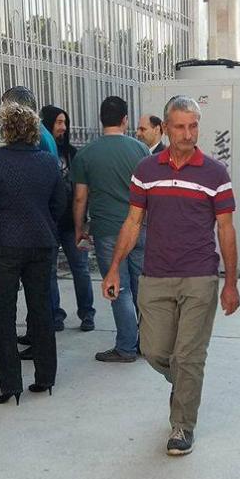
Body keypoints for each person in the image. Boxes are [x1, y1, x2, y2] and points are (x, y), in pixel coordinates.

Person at [103, 95, 240, 456]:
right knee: (153, 350)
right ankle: (182, 383)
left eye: (193, 126)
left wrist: (231, 283)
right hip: (156, 275)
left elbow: (226, 229)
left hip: (200, 276)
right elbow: (133, 222)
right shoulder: (146, 171)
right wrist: (114, 267)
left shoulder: (215, 174)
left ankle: (182, 425)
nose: (188, 134)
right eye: (180, 127)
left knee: (189, 356)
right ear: (165, 128)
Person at [0, 102, 66, 405]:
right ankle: (46, 377)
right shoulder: (48, 161)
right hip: (41, 243)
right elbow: (59, 203)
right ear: (34, 130)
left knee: (5, 316)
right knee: (41, 311)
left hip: (6, 244)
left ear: (7, 129)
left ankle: (10, 385)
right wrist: (47, 226)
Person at [72, 96, 151, 363]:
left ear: (101, 119)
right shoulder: (141, 150)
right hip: (140, 227)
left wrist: (79, 228)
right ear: (125, 120)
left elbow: (80, 198)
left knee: (119, 288)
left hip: (107, 230)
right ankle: (147, 344)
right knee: (141, 286)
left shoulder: (86, 154)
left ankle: (126, 347)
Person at [39, 104, 96, 336]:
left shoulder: (73, 154)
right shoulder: (40, 154)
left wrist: (83, 222)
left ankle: (87, 313)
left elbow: (84, 190)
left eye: (65, 122)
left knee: (81, 269)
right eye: (58, 122)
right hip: (49, 223)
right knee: (49, 271)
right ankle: (55, 315)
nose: (63, 127)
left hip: (73, 223)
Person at [0, 86, 57, 158]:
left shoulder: (33, 136)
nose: (3, 115)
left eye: (6, 110)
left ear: (18, 110)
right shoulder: (39, 130)